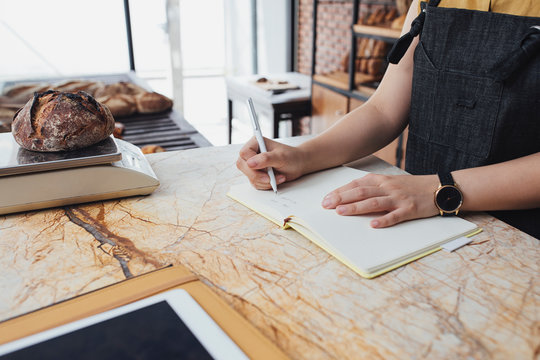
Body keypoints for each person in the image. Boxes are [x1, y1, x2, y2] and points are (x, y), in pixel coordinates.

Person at [236, 0, 540, 239]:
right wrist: (303, 155)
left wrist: (436, 191)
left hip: (519, 234)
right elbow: (383, 110)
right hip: (417, 221)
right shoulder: (429, 2)